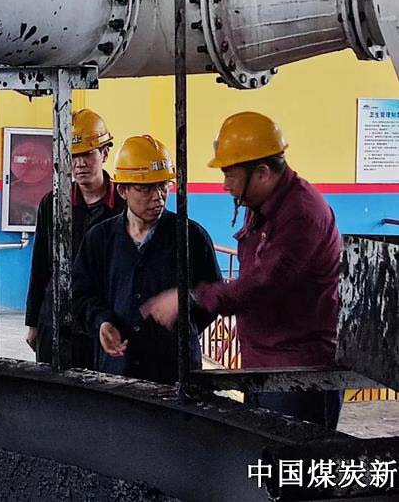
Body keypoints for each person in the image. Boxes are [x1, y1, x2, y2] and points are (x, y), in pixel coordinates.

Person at [142, 112, 343, 428]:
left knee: (292, 454)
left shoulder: (301, 215)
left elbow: (262, 284)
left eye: (230, 175)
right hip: (264, 365)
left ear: (262, 173)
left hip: (299, 374)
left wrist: (191, 298)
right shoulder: (262, 205)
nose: (225, 185)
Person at [72, 135, 221, 384]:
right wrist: (101, 322)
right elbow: (81, 292)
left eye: (163, 186)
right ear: (123, 190)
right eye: (145, 188)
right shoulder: (100, 238)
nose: (158, 197)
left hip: (174, 370)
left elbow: (214, 296)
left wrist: (183, 314)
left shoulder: (191, 237)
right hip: (118, 369)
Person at [25, 109, 125, 366]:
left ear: (104, 154)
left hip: (106, 324)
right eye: (73, 155)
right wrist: (33, 322)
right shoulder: (53, 203)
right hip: (57, 321)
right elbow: (41, 265)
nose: (79, 163)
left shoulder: (124, 206)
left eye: (87, 154)